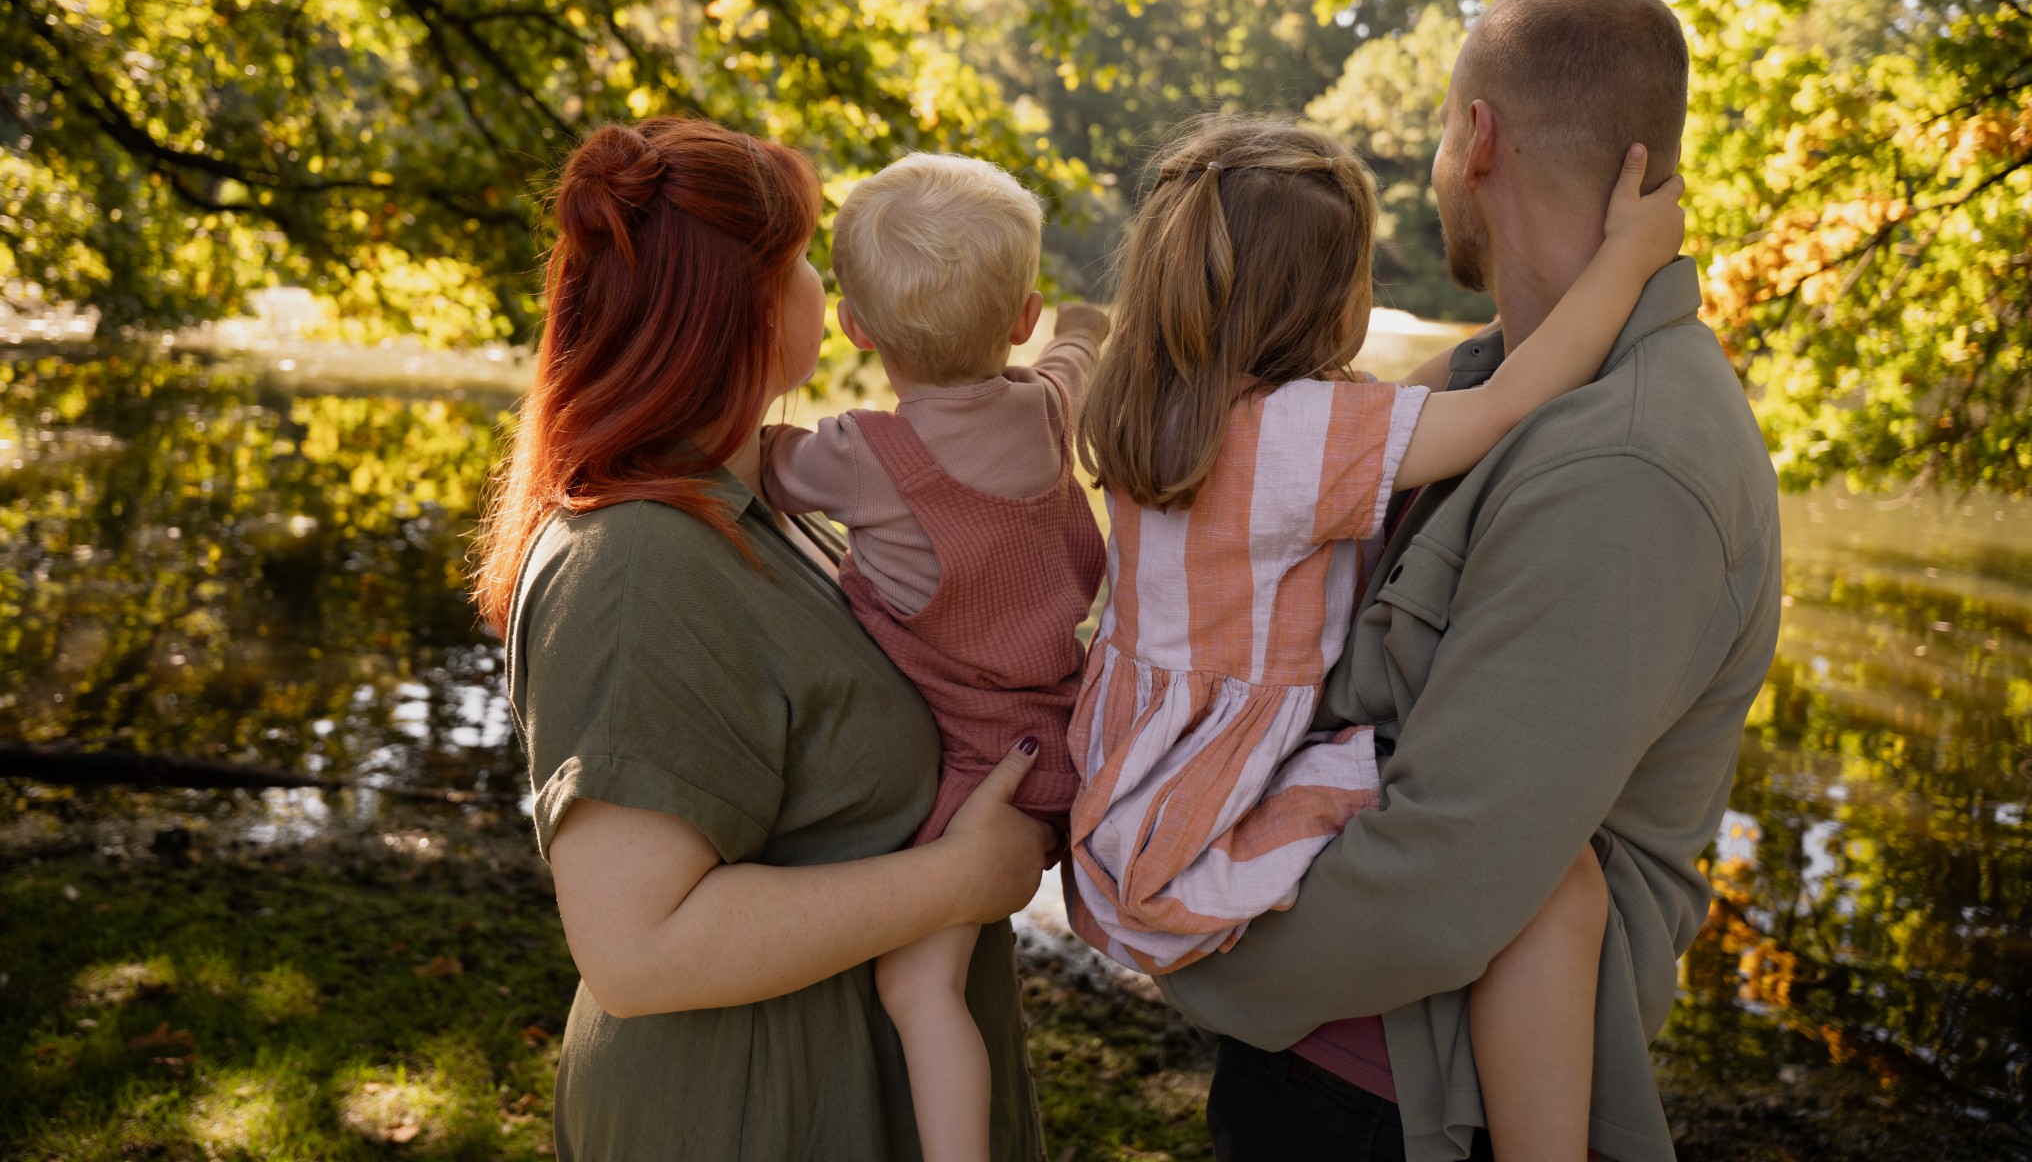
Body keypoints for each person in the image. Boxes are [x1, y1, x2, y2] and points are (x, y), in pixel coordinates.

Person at [1152, 0, 1784, 1162]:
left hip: (1409, 1101)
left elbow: (1447, 876)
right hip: (1339, 1060)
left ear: (1474, 137)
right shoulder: (1486, 387)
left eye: (1441, 138)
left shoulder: (1627, 464)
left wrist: (1191, 951)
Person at [1068, 117, 1684, 1162]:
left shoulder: (1170, 406)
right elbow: (1505, 406)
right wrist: (1628, 258)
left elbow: (1434, 395)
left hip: (1145, 786)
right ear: (1328, 305)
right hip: (1212, 811)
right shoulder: (1300, 437)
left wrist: (1482, 349)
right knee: (1554, 876)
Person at [474, 118, 1055, 1162]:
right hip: (749, 1117)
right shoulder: (637, 561)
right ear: (745, 303)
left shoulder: (757, 511)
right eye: (798, 262)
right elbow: (636, 949)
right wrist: (963, 881)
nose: (822, 290)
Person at [760, 153, 1109, 1162]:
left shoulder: (867, 455)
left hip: (976, 770)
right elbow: (1079, 355)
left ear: (855, 330)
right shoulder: (1047, 408)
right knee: (934, 978)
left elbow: (758, 467)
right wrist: (1081, 326)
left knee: (918, 986)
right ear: (1020, 317)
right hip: (1058, 740)